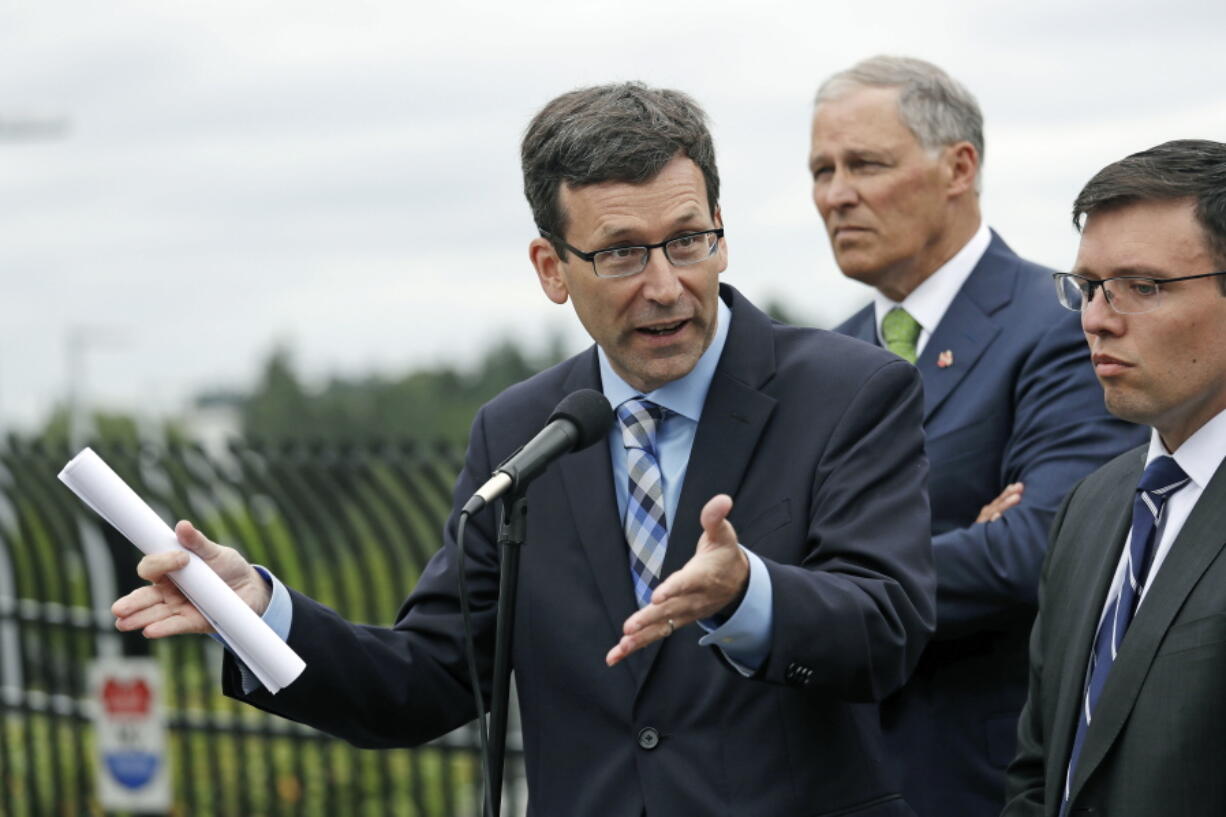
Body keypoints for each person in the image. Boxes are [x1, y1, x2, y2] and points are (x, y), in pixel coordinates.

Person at [114, 82, 937, 817]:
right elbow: (428, 676)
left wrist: (748, 592)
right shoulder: (521, 431)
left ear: (722, 233)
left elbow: (889, 630)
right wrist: (257, 613)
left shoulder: (849, 392)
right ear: (551, 267)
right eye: (620, 252)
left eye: (688, 239)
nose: (665, 283)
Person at [808, 56, 1146, 817]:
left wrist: (816, 587)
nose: (835, 194)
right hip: (836, 776)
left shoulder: (1061, 326)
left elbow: (1040, 550)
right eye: (821, 170)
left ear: (959, 166)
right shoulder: (823, 361)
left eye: (864, 163)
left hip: (978, 780)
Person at [1003, 139, 1226, 817]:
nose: (1096, 318)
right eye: (1089, 286)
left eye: (1142, 286)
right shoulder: (1094, 504)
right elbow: (1038, 770)